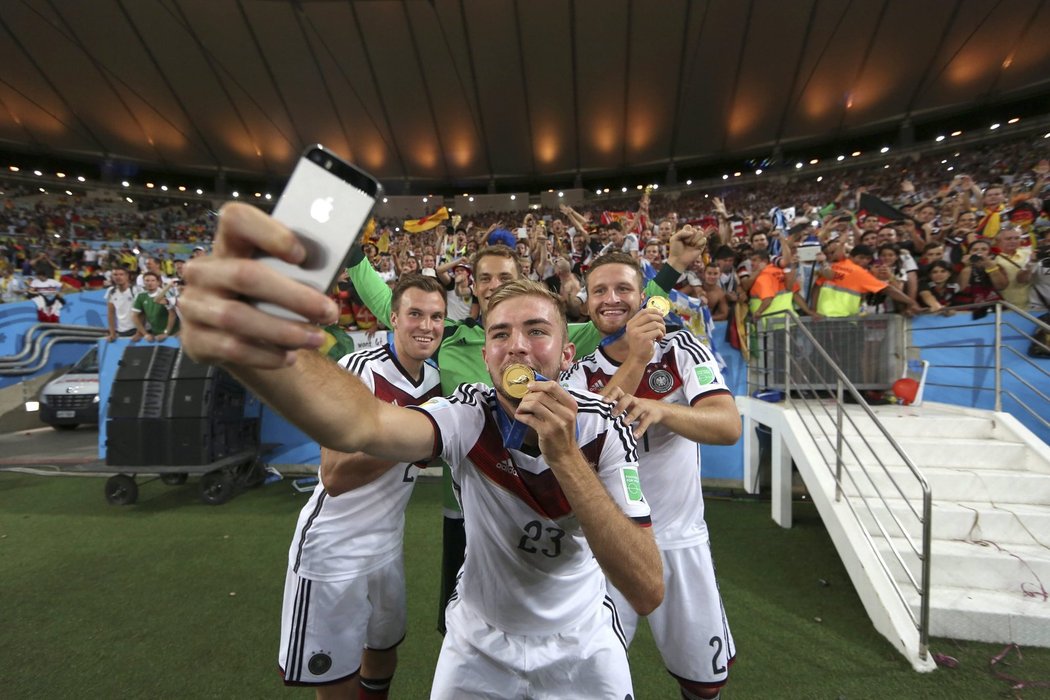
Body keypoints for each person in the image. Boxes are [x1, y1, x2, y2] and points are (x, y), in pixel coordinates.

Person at [177, 203, 663, 698]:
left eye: (536, 330)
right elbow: (362, 422)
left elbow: (647, 589)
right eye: (500, 334)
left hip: (581, 646)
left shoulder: (602, 426)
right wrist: (258, 344)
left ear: (566, 353)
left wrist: (564, 459)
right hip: (479, 646)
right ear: (486, 356)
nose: (516, 346)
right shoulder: (467, 412)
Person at [346, 226, 707, 635]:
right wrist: (352, 253)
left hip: (540, 497)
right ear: (471, 285)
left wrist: (674, 268)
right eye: (484, 278)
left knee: (544, 608)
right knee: (464, 620)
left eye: (505, 277)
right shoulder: (449, 339)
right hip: (466, 505)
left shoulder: (556, 336)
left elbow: (621, 320)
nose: (493, 285)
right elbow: (389, 305)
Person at [562, 252, 741, 700]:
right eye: (599, 290)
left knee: (703, 684)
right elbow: (578, 446)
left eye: (623, 288)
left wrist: (662, 409)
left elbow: (727, 425)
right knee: (592, 680)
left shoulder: (683, 350)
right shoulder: (577, 376)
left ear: (644, 298)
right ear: (586, 305)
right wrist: (637, 360)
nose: (611, 299)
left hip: (680, 540)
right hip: (608, 546)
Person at [279, 275, 446, 698]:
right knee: (335, 674)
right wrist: (420, 426)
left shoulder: (432, 378)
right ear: (393, 318)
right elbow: (334, 475)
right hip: (334, 549)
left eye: (436, 316)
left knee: (383, 648)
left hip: (387, 545)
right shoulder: (360, 370)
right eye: (415, 314)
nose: (426, 326)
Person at [105, 266, 140, 340]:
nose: (118, 277)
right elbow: (111, 313)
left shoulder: (136, 290)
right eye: (115, 275)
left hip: (136, 329)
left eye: (121, 274)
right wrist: (112, 333)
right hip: (121, 331)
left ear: (127, 276)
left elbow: (143, 312)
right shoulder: (111, 291)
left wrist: (139, 332)